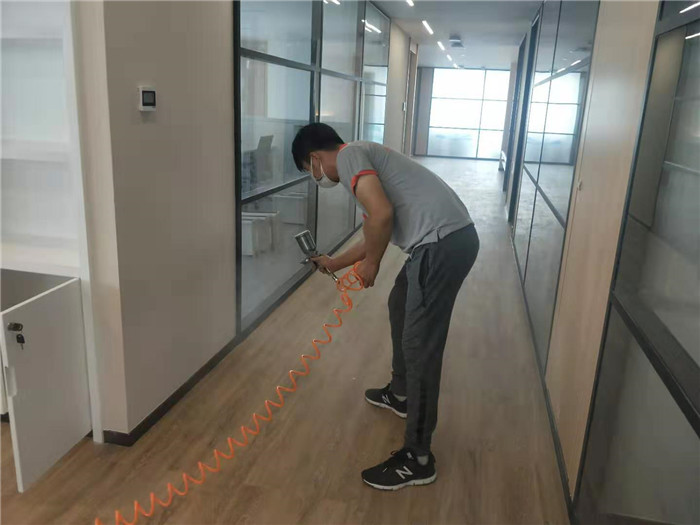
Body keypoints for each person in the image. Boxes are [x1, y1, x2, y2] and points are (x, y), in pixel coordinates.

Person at [291, 123, 479, 490]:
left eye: (309, 170)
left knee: (419, 345)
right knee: (399, 302)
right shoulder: (363, 160)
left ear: (314, 159)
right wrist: (335, 262)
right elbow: (375, 229)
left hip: (440, 245)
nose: (317, 178)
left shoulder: (348, 156)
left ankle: (418, 458)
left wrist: (373, 264)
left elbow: (382, 217)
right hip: (446, 239)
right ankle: (402, 393)